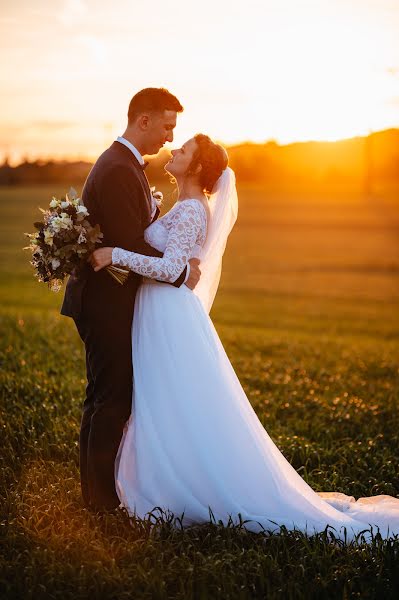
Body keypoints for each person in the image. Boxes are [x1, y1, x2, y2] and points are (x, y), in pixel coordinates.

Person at [90, 134, 399, 542]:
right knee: (161, 398)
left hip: (168, 316)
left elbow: (170, 270)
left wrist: (114, 255)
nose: (173, 152)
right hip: (156, 314)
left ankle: (186, 487)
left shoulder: (194, 211)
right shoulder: (183, 207)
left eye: (183, 151)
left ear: (198, 168)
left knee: (173, 399)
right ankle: (165, 477)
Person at [61, 88, 201, 512]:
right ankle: (100, 503)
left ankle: (97, 496)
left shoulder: (125, 165)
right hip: (105, 302)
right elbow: (128, 245)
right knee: (111, 398)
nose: (169, 137)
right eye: (166, 126)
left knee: (105, 395)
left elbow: (134, 236)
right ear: (143, 121)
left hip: (108, 299)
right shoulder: (120, 168)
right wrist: (180, 268)